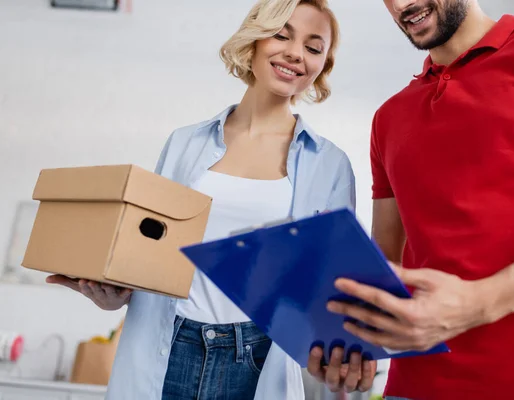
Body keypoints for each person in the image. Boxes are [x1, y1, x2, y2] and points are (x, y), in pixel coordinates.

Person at [46, 0, 376, 398]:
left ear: (322, 65)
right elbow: (148, 249)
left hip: (256, 357)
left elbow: (332, 289)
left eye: (313, 46)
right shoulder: (185, 144)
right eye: (282, 35)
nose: (295, 53)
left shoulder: (330, 165)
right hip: (169, 347)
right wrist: (114, 294)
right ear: (254, 39)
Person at [310, 0, 514, 399]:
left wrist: (479, 302)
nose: (401, 4)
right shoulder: (389, 118)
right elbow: (385, 265)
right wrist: (351, 342)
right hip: (415, 388)